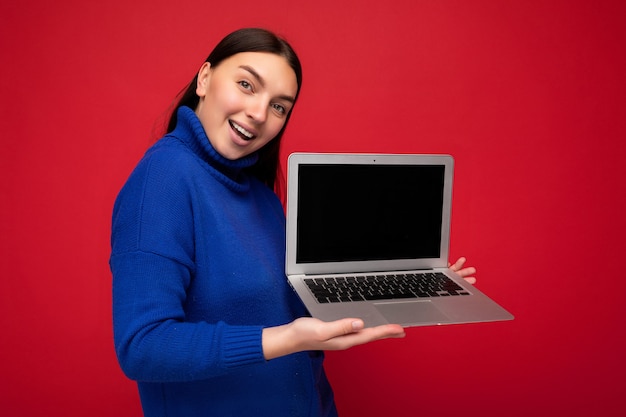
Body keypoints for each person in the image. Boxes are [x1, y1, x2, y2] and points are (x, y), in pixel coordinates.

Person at [110, 27, 477, 417]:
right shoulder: (163, 179)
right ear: (204, 79)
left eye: (279, 106)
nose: (258, 113)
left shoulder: (261, 196)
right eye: (247, 84)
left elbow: (278, 314)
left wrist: (403, 283)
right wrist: (288, 338)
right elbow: (143, 346)